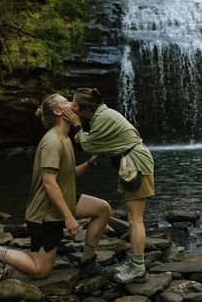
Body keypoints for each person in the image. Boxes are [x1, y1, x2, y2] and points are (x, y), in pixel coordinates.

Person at [0, 94, 112, 280]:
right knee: (40, 271)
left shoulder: (66, 139)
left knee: (103, 209)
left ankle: (88, 263)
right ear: (58, 111)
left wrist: (91, 162)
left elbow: (67, 176)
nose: (72, 103)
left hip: (61, 203)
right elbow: (49, 182)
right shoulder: (52, 141)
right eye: (66, 102)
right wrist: (68, 217)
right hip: (45, 214)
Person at [63, 87, 154, 284]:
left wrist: (78, 126)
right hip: (132, 163)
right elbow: (97, 143)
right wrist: (85, 133)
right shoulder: (102, 116)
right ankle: (134, 262)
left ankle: (138, 268)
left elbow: (88, 146)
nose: (71, 106)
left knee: (135, 219)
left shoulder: (102, 117)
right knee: (132, 217)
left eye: (74, 104)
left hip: (136, 164)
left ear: (83, 108)